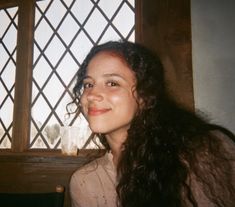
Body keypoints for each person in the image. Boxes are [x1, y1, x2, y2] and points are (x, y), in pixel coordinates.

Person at [69, 40, 235, 207]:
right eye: (88, 84)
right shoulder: (86, 182)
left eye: (112, 83)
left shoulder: (205, 151)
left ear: (144, 97)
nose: (91, 95)